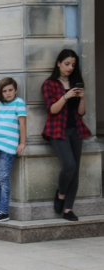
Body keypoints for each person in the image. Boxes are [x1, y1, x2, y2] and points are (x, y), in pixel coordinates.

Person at [42, 49, 90, 221]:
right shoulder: (50, 84)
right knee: (69, 165)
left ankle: (68, 209)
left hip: (76, 130)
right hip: (58, 130)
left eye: (73, 65)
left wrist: (82, 98)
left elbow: (81, 113)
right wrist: (65, 96)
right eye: (67, 64)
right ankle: (61, 193)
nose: (70, 68)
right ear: (59, 63)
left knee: (75, 170)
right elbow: (52, 110)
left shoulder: (76, 82)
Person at [0, 78, 26, 224]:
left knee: (3, 178)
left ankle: (4, 211)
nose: (7, 93)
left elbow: (22, 124)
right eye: (4, 91)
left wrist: (22, 142)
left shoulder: (19, 102)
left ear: (15, 90)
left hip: (9, 147)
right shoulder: (1, 104)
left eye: (10, 90)